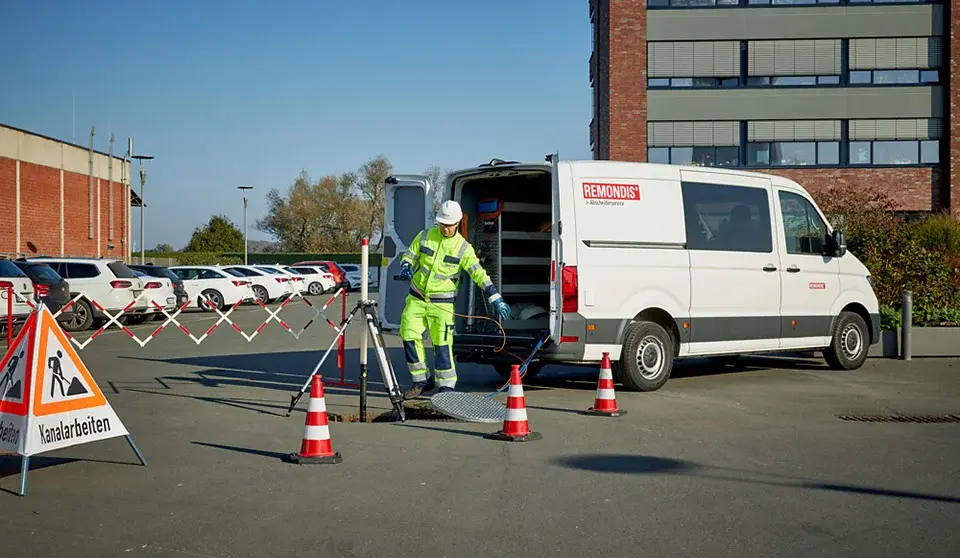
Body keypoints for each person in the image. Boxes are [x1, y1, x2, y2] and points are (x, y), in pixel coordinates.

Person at [397, 200, 512, 399]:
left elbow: (479, 274)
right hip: (416, 299)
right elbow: (410, 255)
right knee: (408, 336)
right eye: (442, 224)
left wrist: (495, 297)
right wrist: (405, 265)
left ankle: (446, 387)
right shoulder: (424, 236)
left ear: (457, 223)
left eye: (449, 225)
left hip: (442, 305)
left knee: (442, 345)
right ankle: (421, 381)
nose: (446, 228)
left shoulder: (463, 248)